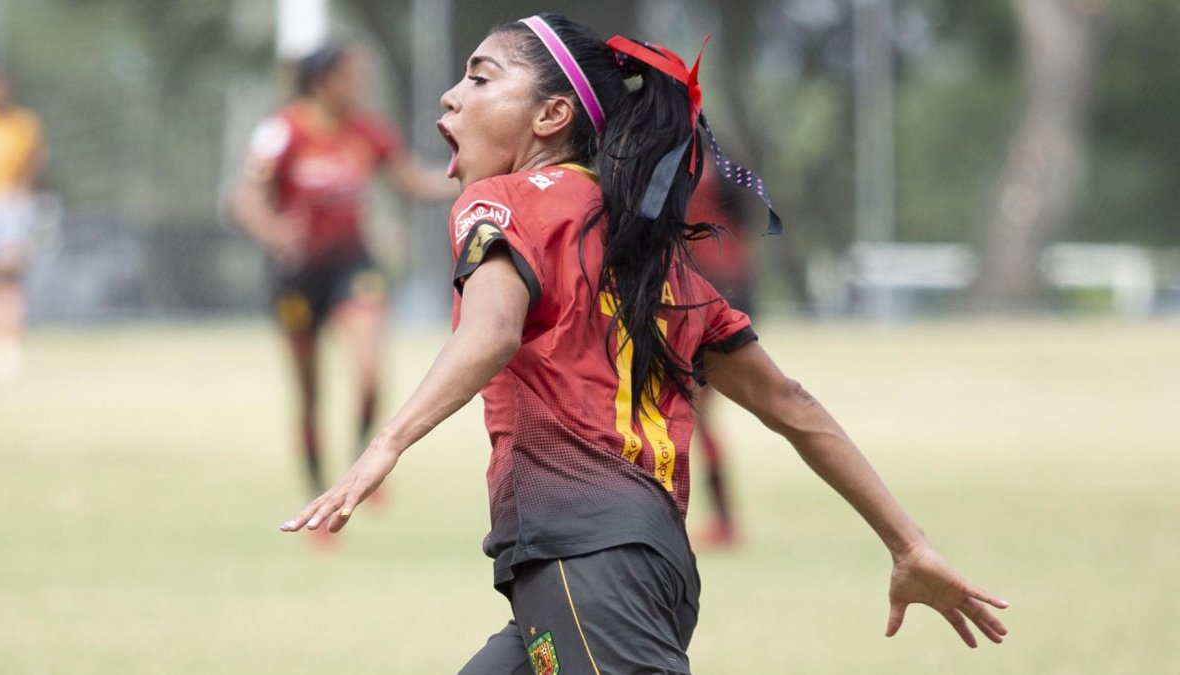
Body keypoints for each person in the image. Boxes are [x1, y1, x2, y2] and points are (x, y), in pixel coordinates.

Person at [281, 14, 1008, 673]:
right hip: (647, 563)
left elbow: (493, 330)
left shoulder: (497, 202)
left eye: (479, 76)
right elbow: (791, 403)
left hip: (587, 564)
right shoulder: (655, 255)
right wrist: (908, 542)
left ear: (552, 115)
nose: (449, 96)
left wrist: (385, 444)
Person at [231, 44, 454, 503]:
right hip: (297, 276)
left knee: (371, 373)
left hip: (353, 265)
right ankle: (316, 490)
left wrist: (476, 175)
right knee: (310, 394)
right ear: (321, 82)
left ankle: (363, 460)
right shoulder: (284, 130)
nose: (360, 85)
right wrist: (274, 231)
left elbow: (411, 182)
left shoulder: (369, 132)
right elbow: (245, 199)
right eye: (350, 76)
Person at [686, 170, 755, 547]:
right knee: (699, 413)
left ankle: (724, 523)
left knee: (695, 412)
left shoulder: (677, 171)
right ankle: (724, 520)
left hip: (705, 290)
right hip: (733, 284)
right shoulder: (723, 168)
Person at [0, 63, 44, 381]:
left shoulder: (24, 123)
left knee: (8, 275)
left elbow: (33, 164)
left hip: (12, 204)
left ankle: (7, 342)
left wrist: (26, 204)